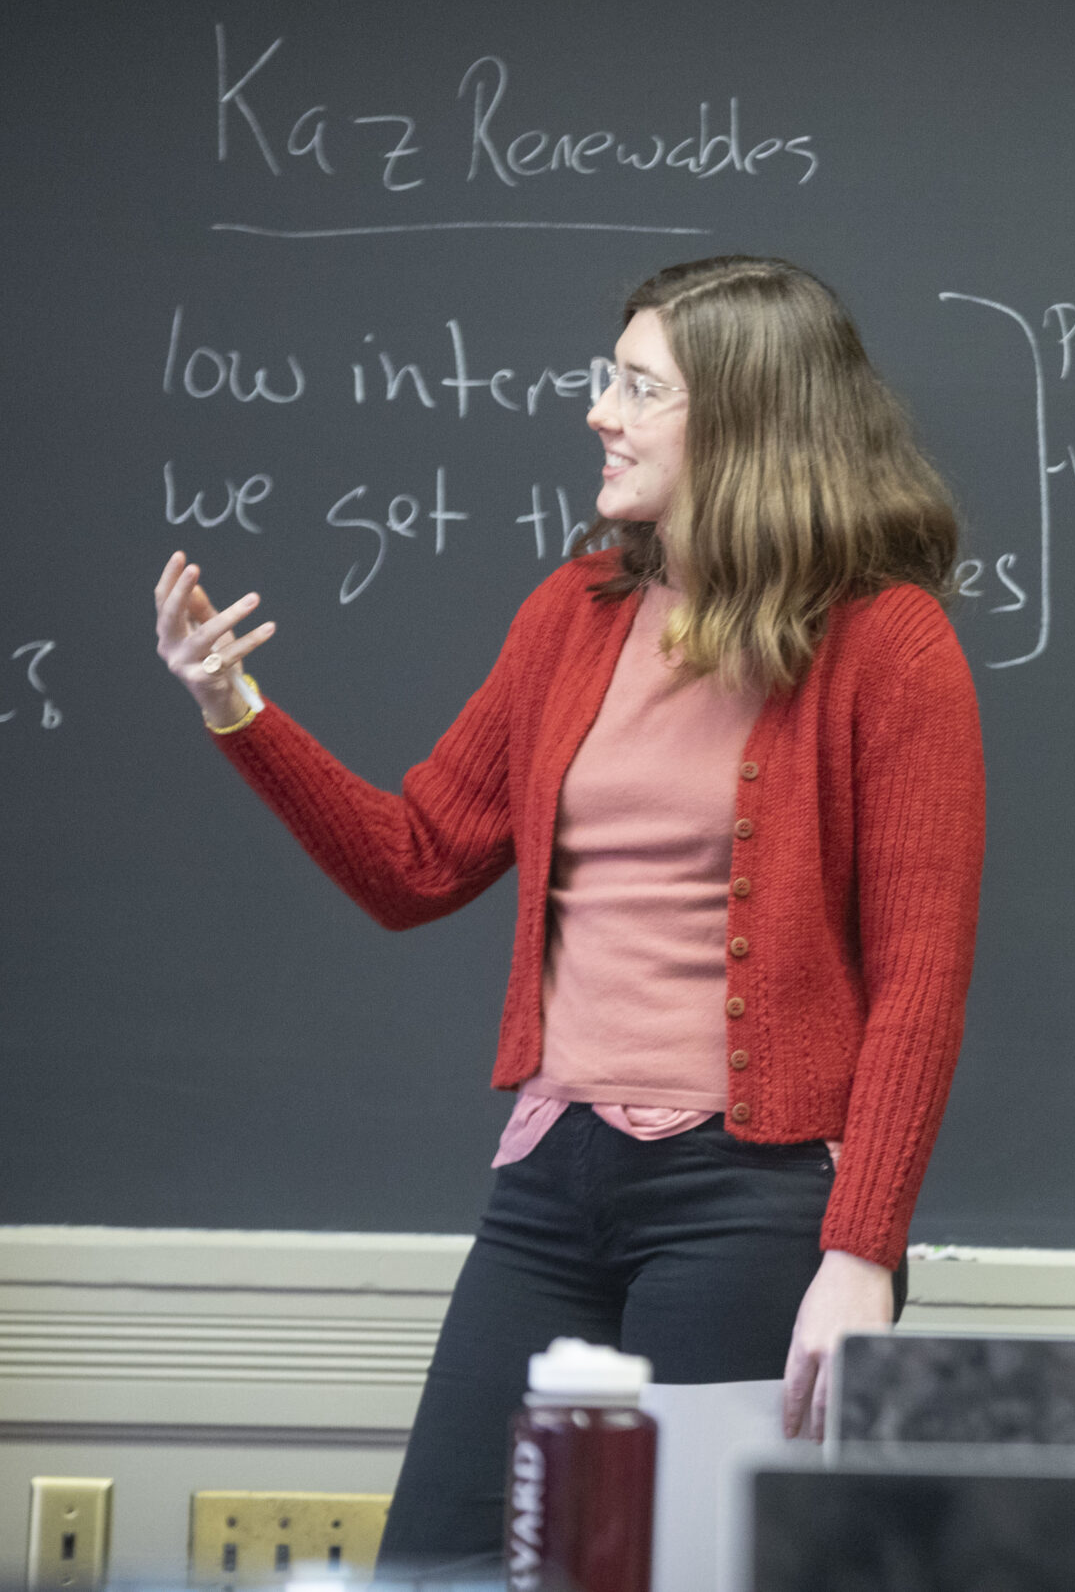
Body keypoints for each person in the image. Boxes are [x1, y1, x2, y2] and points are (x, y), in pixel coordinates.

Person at [150, 256, 986, 1566]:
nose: (600, 410)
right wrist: (235, 712)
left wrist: (862, 1253)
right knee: (440, 1560)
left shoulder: (887, 643)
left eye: (639, 387)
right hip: (552, 1182)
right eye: (612, 378)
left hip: (749, 1202)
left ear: (746, 418)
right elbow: (415, 860)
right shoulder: (573, 614)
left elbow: (920, 981)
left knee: (676, 1569)